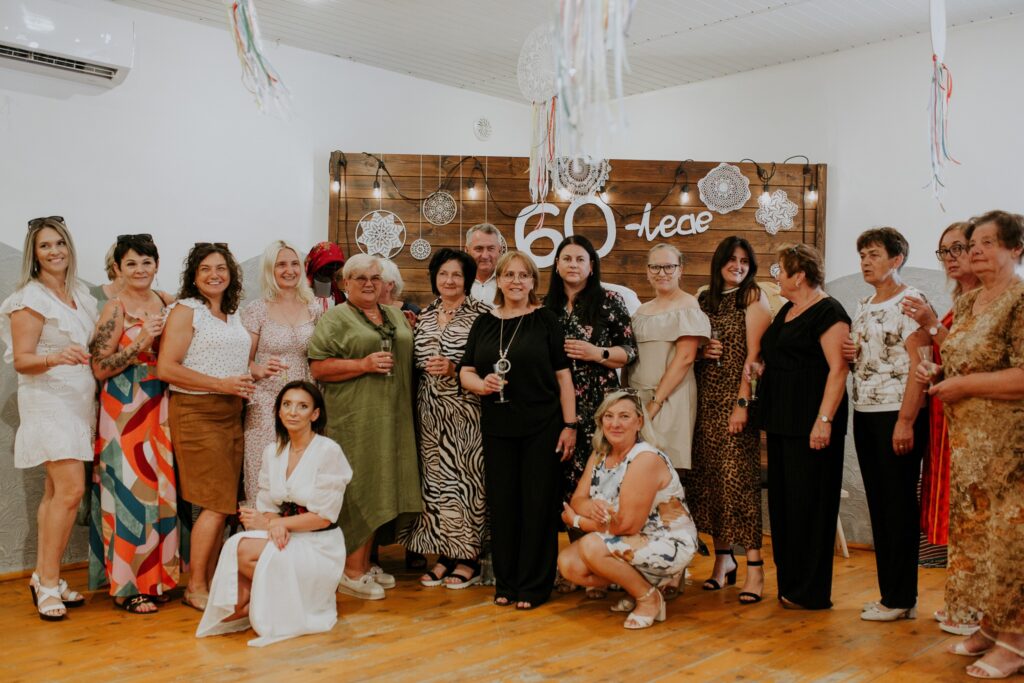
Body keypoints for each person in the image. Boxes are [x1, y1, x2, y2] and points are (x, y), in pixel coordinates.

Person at [917, 211, 1024, 679]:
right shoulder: (970, 301)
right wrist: (940, 373)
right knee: (977, 539)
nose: (975, 250)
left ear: (1015, 248)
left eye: (988, 242)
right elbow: (963, 360)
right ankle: (990, 625)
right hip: (968, 447)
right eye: (972, 243)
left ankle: (1016, 642)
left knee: (1010, 541)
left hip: (1010, 448)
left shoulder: (1020, 300)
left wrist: (964, 385)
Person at [460, 250, 577, 610]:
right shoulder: (484, 322)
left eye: (523, 275)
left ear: (532, 282)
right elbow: (465, 371)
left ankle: (533, 586)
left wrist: (570, 425)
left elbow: (563, 376)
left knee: (537, 505)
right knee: (504, 505)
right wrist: (481, 385)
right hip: (498, 426)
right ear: (498, 280)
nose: (515, 281)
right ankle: (507, 583)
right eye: (509, 275)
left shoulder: (546, 320)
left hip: (543, 426)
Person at [197, 381, 353, 647]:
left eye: (302, 406)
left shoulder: (328, 451)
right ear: (279, 411)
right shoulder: (273, 452)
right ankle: (259, 604)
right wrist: (274, 522)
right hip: (288, 533)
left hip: (320, 543)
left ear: (315, 414)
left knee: (244, 550)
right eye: (287, 405)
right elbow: (267, 504)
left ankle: (289, 603)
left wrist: (277, 524)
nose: (293, 412)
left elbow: (324, 517)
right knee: (236, 546)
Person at [0, 217, 97, 621]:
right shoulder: (29, 299)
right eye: (45, 246)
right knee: (71, 491)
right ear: (34, 254)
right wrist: (56, 357)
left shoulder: (80, 295)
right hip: (48, 401)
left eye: (60, 243)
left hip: (78, 401)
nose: (54, 251)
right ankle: (51, 584)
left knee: (55, 493)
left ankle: (43, 576)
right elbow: (21, 360)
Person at [308, 253, 420, 601]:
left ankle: (365, 562)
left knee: (382, 484)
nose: (369, 284)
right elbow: (318, 368)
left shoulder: (393, 314)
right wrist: (362, 364)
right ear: (346, 283)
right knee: (360, 485)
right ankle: (349, 570)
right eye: (360, 278)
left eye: (375, 277)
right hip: (355, 418)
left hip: (394, 417)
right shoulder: (335, 317)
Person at [157, 242, 254, 612]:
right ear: (194, 277)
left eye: (221, 268)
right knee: (213, 502)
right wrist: (220, 384)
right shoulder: (187, 310)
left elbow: (227, 361)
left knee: (225, 503)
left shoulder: (232, 312)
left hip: (232, 411)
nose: (215, 275)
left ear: (231, 273)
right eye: (206, 269)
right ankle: (195, 585)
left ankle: (211, 580)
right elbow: (167, 367)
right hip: (196, 412)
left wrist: (255, 371)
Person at [840, 228, 931, 622]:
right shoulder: (864, 304)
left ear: (897, 259)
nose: (865, 261)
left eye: (874, 254)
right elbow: (870, 360)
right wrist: (851, 353)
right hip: (866, 412)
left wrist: (906, 421)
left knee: (897, 505)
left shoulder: (911, 301)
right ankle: (892, 595)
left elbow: (921, 365)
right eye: (862, 254)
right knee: (880, 503)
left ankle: (900, 597)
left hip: (898, 413)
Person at [87, 234, 178, 613]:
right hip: (123, 407)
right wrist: (140, 342)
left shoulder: (167, 302)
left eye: (146, 262)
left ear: (156, 265)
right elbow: (99, 367)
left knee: (160, 492)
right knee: (128, 491)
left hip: (161, 404)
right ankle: (128, 587)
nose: (140, 270)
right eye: (131, 263)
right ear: (118, 268)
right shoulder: (115, 308)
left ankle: (156, 579)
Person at [557, 390, 698, 629]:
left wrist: (579, 522)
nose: (615, 423)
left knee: (591, 546)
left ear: (639, 421)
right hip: (627, 536)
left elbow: (626, 525)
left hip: (666, 540)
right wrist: (593, 506)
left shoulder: (645, 459)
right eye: (609, 416)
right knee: (568, 563)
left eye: (624, 416)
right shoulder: (600, 453)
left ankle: (648, 598)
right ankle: (641, 586)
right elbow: (578, 499)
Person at [758, 243, 850, 610]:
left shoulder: (829, 312)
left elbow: (839, 370)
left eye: (780, 269)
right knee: (784, 507)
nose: (776, 276)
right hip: (782, 421)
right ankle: (790, 585)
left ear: (799, 275)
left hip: (812, 423)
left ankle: (811, 591)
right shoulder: (788, 310)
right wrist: (760, 367)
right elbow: (780, 355)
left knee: (810, 506)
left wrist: (823, 421)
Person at [544, 235, 636, 596]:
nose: (573, 265)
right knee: (566, 484)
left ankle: (602, 563)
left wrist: (597, 352)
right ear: (556, 265)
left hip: (599, 408)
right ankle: (576, 566)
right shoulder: (545, 307)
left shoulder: (609, 301)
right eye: (566, 258)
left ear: (591, 266)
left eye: (580, 259)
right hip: (556, 408)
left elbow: (629, 352)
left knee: (599, 483)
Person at [902, 221, 982, 635]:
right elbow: (950, 360)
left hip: (975, 425)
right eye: (943, 251)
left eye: (958, 249)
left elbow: (972, 360)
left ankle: (979, 610)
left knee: (974, 516)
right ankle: (963, 601)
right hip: (946, 421)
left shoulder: (990, 301)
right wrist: (928, 362)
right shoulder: (962, 300)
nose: (950, 258)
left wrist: (931, 325)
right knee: (956, 516)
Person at [399, 249, 491, 588]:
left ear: (467, 279)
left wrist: (455, 368)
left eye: (456, 274)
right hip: (429, 413)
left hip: (466, 411)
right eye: (443, 274)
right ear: (434, 278)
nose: (449, 280)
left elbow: (491, 362)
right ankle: (445, 554)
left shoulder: (483, 315)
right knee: (435, 484)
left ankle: (469, 557)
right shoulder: (424, 315)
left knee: (467, 484)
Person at [689, 236, 771, 604]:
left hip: (735, 400)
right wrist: (703, 350)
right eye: (732, 259)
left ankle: (755, 567)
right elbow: (690, 347)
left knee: (740, 484)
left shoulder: (752, 296)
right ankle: (723, 561)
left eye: (744, 261)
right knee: (711, 483)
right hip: (704, 400)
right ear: (719, 261)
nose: (738, 266)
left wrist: (742, 403)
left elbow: (755, 358)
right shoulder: (704, 299)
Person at [241, 240, 322, 502]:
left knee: (300, 475)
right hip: (266, 402)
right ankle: (260, 525)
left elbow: (322, 354)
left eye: (294, 264)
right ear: (270, 270)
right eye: (281, 265)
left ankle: (296, 526)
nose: (289, 270)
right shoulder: (257, 310)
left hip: (305, 401)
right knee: (264, 473)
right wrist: (258, 369)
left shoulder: (314, 308)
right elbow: (242, 360)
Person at [624, 244, 710, 472]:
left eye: (669, 267)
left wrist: (656, 402)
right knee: (637, 466)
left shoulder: (687, 305)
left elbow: (685, 358)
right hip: (639, 397)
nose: (662, 273)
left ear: (680, 270)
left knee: (663, 467)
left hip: (670, 397)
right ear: (647, 271)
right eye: (655, 267)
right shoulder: (641, 311)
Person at [466, 223, 502, 305]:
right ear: (467, 250)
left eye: (491, 248)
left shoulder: (510, 282)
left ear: (499, 250)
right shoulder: (456, 281)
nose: (485, 256)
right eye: (479, 249)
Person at [304, 241, 345, 311]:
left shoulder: (339, 296)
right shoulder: (301, 293)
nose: (334, 268)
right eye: (330, 264)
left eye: (338, 265)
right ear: (315, 264)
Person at [380, 258, 422, 323]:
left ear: (390, 285)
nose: (369, 284)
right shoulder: (364, 311)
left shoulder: (412, 311)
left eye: (375, 279)